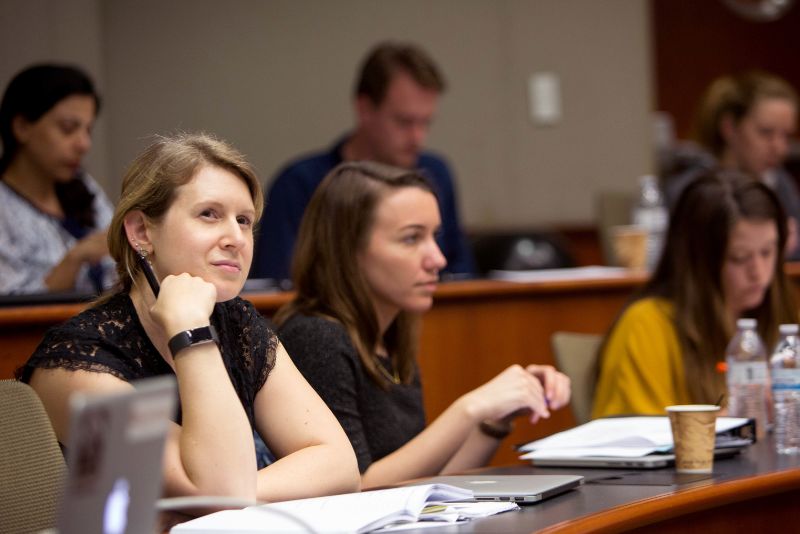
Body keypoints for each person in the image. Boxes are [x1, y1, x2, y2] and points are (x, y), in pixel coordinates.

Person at [17, 133, 360, 502]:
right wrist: (191, 332)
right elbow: (220, 487)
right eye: (209, 214)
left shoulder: (237, 323)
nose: (236, 238)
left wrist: (230, 496)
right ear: (141, 231)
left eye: (244, 220)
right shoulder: (74, 364)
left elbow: (340, 465)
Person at [273, 161, 570, 488]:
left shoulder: (391, 336)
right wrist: (470, 408)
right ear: (348, 249)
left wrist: (494, 420)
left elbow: (426, 483)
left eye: (434, 236)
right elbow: (354, 485)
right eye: (412, 238)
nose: (438, 259)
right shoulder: (315, 336)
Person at [251, 41, 475, 282]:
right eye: (404, 122)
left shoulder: (435, 173)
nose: (418, 137)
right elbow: (277, 285)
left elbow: (459, 273)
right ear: (365, 109)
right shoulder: (300, 183)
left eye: (426, 122)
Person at [593, 170, 797, 418]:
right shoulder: (645, 325)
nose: (759, 272)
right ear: (699, 262)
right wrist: (733, 418)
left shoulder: (787, 313)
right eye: (740, 258)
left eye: (767, 252)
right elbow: (634, 441)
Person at [0, 64, 116, 294]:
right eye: (68, 129)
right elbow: (11, 309)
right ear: (22, 127)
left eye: (87, 131)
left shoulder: (82, 185)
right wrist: (76, 258)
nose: (84, 144)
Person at [662, 70, 800, 259]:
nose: (779, 148)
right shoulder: (691, 187)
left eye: (786, 136)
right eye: (766, 132)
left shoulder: (781, 184)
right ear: (729, 128)